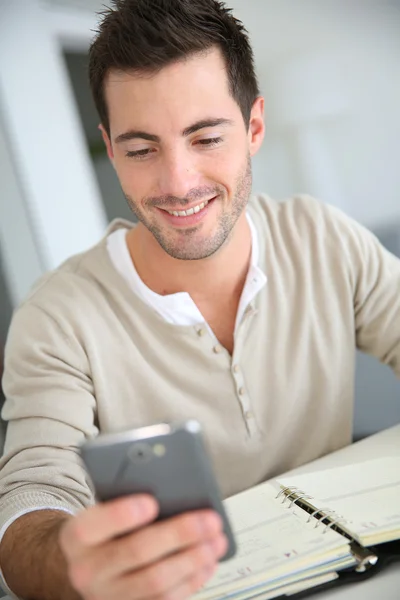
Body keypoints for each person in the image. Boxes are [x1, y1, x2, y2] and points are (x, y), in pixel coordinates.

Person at [0, 0, 399, 598]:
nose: (178, 183)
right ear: (110, 148)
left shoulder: (323, 237)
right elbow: (32, 499)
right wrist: (68, 564)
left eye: (206, 137)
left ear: (254, 127)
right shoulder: (56, 318)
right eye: (141, 150)